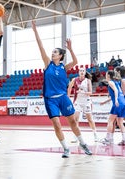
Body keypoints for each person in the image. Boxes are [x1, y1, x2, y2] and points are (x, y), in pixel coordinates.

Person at [32, 20, 92, 158]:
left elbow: (76, 62)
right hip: (50, 100)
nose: (52, 54)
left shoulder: (63, 67)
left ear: (60, 56)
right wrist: (35, 31)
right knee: (57, 125)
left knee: (72, 122)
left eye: (55, 52)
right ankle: (66, 149)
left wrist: (70, 49)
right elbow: (40, 46)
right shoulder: (48, 64)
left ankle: (83, 144)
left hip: (63, 98)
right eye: (52, 52)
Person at [67, 67, 98, 142]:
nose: (81, 72)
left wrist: (83, 92)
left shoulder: (88, 81)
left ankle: (95, 135)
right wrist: (68, 97)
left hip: (86, 101)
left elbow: (90, 92)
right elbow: (69, 88)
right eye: (80, 70)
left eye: (83, 71)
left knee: (90, 119)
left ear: (85, 72)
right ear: (78, 72)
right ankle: (76, 136)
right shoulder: (74, 79)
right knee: (76, 119)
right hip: (78, 101)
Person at [100, 70, 125, 145]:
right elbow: (117, 93)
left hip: (118, 102)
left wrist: (115, 100)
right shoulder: (116, 83)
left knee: (110, 121)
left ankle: (108, 139)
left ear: (108, 75)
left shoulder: (110, 82)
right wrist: (104, 102)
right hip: (123, 103)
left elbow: (115, 91)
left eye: (106, 74)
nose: (105, 76)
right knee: (120, 122)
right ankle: (124, 139)